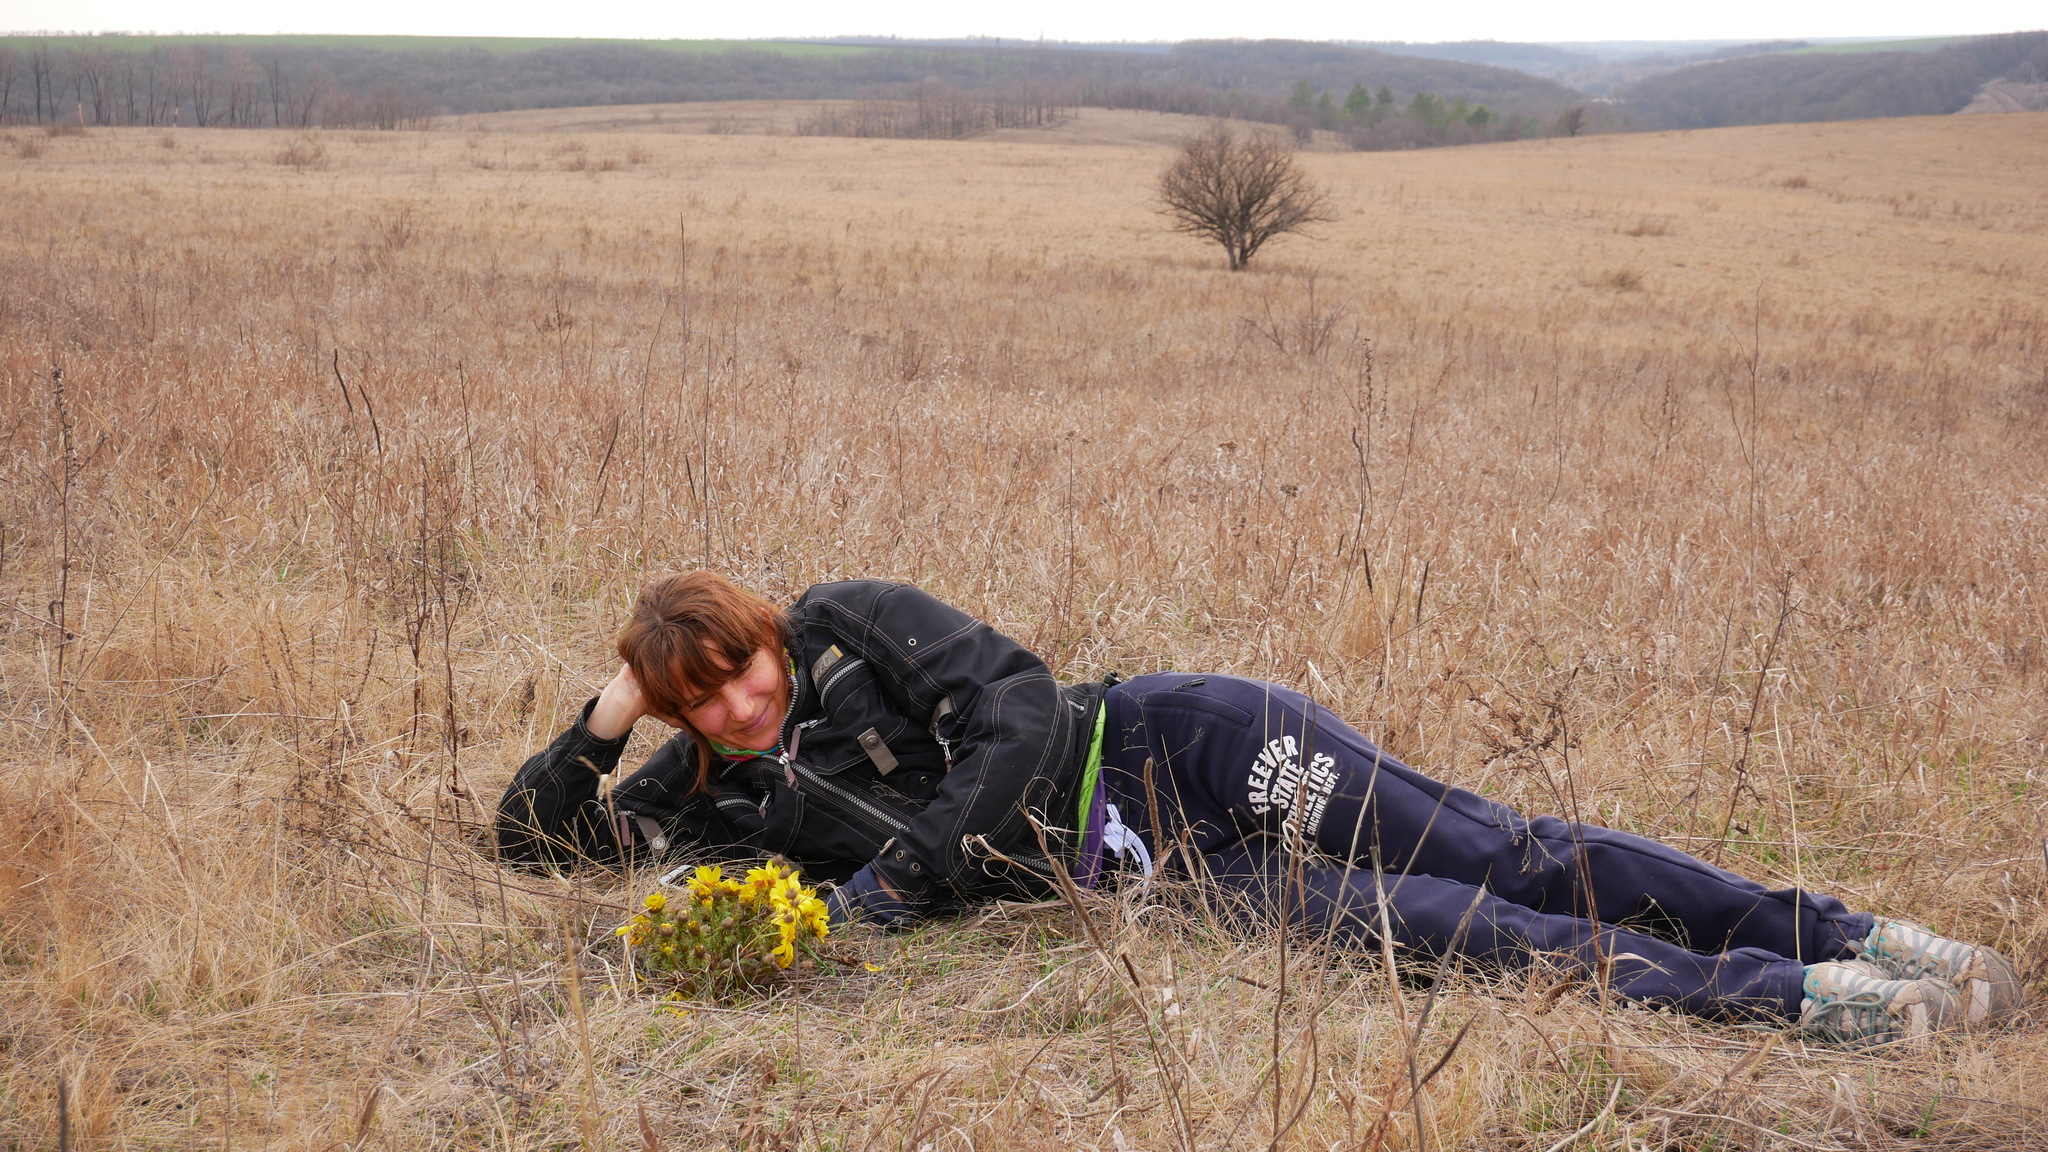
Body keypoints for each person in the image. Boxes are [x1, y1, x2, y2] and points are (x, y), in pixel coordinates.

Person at [497, 573, 2024, 1048]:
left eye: (741, 671)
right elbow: (532, 844)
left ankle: (1855, 934)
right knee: (1453, 932)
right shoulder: (718, 799)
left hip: (1192, 750)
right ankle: (1811, 1005)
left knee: (1505, 852)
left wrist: (902, 878)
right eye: (703, 700)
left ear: (770, 639)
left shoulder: (850, 621)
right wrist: (601, 722)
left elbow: (1020, 704)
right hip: (1167, 888)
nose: (744, 706)